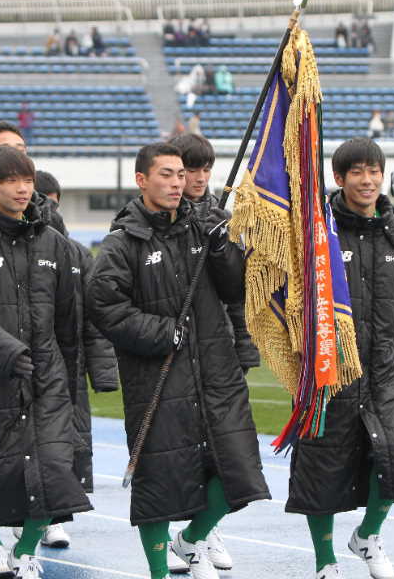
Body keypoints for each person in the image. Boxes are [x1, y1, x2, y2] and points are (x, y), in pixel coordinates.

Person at [87, 142, 271, 579]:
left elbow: (236, 289)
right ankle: (156, 570)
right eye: (166, 174)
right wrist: (159, 332)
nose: (176, 182)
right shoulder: (122, 240)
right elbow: (102, 303)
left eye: (180, 174)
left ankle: (190, 540)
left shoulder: (204, 226)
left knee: (239, 472)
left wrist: (223, 243)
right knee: (159, 480)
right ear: (142, 180)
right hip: (158, 375)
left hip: (217, 371)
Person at [0, 145, 92, 579]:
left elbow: (69, 320)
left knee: (54, 475)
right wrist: (7, 351)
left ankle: (24, 551)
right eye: (10, 180)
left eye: (27, 179)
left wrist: (65, 375)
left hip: (45, 382)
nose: (23, 187)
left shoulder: (54, 243)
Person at [285, 137, 394, 579]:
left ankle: (368, 534)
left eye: (374, 171)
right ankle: (324, 560)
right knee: (322, 465)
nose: (367, 180)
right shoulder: (319, 230)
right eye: (357, 172)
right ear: (339, 177)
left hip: (385, 367)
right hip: (331, 365)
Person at [168, 132, 261, 572]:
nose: (201, 177)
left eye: (207, 168)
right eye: (192, 169)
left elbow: (236, 292)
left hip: (218, 349)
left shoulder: (218, 217)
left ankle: (201, 532)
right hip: (175, 354)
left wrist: (221, 244)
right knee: (187, 451)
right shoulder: (158, 218)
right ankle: (191, 533)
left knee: (230, 452)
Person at [31, 170, 120, 552]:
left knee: (65, 445)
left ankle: (54, 519)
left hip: (66, 365)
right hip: (24, 362)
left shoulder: (77, 254)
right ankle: (22, 521)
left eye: (48, 198)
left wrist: (102, 372)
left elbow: (94, 319)